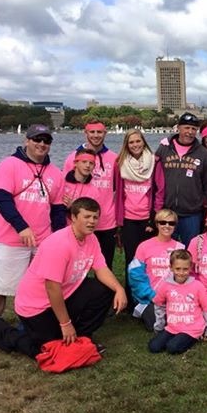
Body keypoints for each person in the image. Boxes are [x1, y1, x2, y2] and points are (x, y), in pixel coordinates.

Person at [0, 197, 127, 358]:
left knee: (104, 289)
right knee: (46, 350)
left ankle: (82, 337)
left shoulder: (92, 239)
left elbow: (101, 269)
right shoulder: (59, 244)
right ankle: (2, 330)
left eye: (95, 217)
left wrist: (119, 289)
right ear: (73, 218)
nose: (92, 222)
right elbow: (52, 287)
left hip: (65, 295)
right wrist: (65, 324)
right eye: (86, 217)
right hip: (35, 306)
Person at [0, 124, 65, 351]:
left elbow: (57, 210)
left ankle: (27, 325)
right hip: (11, 239)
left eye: (46, 140)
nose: (42, 144)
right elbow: (2, 200)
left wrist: (57, 239)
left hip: (43, 241)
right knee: (1, 287)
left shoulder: (55, 173)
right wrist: (22, 227)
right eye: (37, 139)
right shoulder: (9, 165)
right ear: (26, 140)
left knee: (38, 287)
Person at [154, 112, 207, 246]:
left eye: (193, 129)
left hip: (192, 214)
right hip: (167, 211)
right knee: (165, 251)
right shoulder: (164, 149)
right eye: (186, 128)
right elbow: (152, 175)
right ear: (178, 128)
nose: (189, 132)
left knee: (191, 251)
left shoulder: (203, 154)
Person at [63, 120, 118, 268]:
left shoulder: (114, 158)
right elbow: (66, 185)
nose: (96, 135)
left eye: (99, 132)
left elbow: (117, 188)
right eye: (92, 132)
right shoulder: (72, 158)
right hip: (79, 223)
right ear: (85, 133)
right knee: (77, 265)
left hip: (106, 221)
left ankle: (106, 291)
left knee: (105, 265)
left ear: (105, 133)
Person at [114, 129, 158, 298]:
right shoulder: (121, 163)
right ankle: (130, 297)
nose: (135, 145)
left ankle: (149, 295)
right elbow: (116, 191)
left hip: (147, 219)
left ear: (143, 142)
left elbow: (158, 191)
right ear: (126, 145)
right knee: (132, 260)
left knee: (149, 259)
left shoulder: (154, 162)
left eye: (138, 141)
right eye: (131, 142)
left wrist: (153, 219)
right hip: (129, 219)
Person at [127, 209, 185, 331]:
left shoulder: (180, 248)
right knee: (156, 324)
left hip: (172, 297)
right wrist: (151, 295)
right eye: (163, 222)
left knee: (179, 321)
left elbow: (183, 276)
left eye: (171, 223)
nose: (167, 226)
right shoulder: (144, 246)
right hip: (149, 297)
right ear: (157, 224)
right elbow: (135, 275)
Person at [149, 249, 207, 354]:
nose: (181, 273)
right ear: (171, 268)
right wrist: (159, 325)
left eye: (185, 269)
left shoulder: (198, 286)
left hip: (192, 329)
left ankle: (194, 338)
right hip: (172, 327)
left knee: (172, 348)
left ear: (190, 268)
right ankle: (175, 338)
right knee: (154, 347)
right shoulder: (165, 286)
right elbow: (159, 304)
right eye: (178, 269)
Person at [62, 149, 101, 219]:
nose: (88, 165)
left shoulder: (95, 191)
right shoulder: (62, 184)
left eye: (91, 163)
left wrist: (74, 206)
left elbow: (92, 216)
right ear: (75, 163)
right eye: (84, 162)